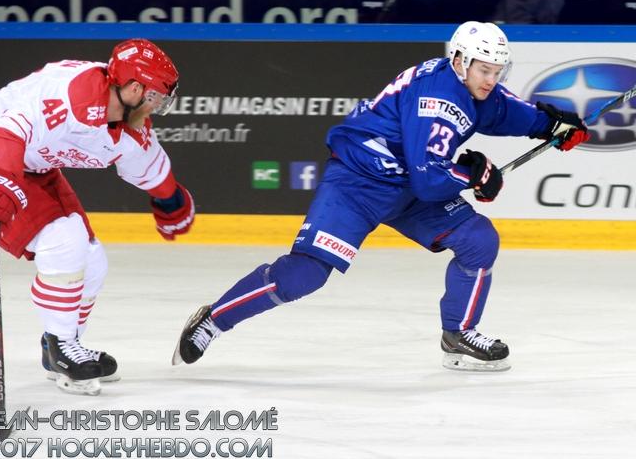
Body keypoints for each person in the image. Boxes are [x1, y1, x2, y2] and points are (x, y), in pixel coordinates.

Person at [172, 21, 588, 372]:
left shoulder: (471, 85)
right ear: (460, 60)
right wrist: (471, 174)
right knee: (305, 275)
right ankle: (214, 319)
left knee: (478, 241)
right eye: (484, 69)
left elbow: (502, 110)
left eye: (498, 70)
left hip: (407, 186)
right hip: (359, 183)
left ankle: (458, 333)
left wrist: (551, 124)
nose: (491, 79)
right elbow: (430, 179)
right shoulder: (438, 99)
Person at [0, 39, 195, 395]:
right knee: (65, 240)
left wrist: (170, 201)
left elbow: (147, 165)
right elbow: (5, 122)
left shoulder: (128, 125)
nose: (156, 105)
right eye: (155, 96)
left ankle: (60, 348)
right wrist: (1, 180)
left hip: (33, 168)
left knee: (92, 259)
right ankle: (63, 348)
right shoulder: (68, 96)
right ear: (133, 88)